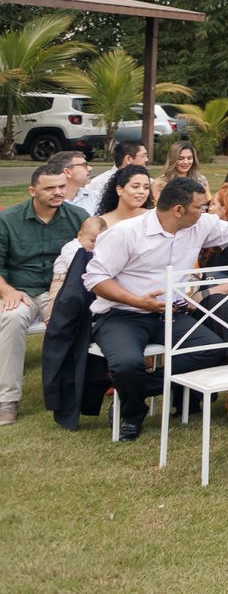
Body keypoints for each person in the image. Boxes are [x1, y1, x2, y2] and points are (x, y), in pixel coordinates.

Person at [83, 177, 228, 440]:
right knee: (126, 365)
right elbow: (95, 280)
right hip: (123, 314)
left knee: (213, 350)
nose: (205, 211)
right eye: (200, 207)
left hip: (171, 314)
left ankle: (130, 390)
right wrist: (137, 301)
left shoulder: (199, 224)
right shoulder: (125, 233)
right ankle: (132, 413)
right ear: (178, 210)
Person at [0, 164, 89, 425]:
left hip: (61, 291)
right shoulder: (8, 220)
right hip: (21, 290)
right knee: (12, 317)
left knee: (82, 314)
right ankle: (7, 400)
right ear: (32, 191)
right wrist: (7, 291)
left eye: (62, 186)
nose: (58, 192)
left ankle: (76, 391)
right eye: (49, 188)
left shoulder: (78, 217)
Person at [70, 141, 144, 217]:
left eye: (146, 187)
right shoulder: (98, 184)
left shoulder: (148, 181)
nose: (146, 159)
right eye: (135, 186)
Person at [95, 163, 154, 227]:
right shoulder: (102, 222)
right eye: (135, 186)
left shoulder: (153, 218)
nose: (141, 191)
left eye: (146, 188)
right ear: (119, 190)